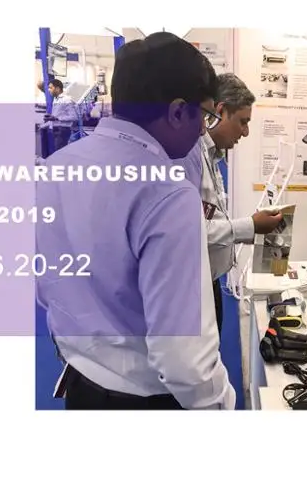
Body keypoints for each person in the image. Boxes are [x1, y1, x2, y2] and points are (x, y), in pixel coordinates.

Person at [42, 30, 235, 409]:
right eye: (205, 115)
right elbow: (184, 362)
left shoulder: (56, 167)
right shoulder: (168, 194)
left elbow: (45, 285)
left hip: (80, 387)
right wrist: (223, 405)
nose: (204, 129)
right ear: (178, 111)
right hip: (147, 400)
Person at [201, 74, 288, 332]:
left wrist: (252, 228)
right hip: (196, 286)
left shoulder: (213, 156)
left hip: (210, 280)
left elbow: (211, 217)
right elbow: (194, 230)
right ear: (220, 111)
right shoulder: (190, 158)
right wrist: (250, 226)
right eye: (242, 121)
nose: (246, 132)